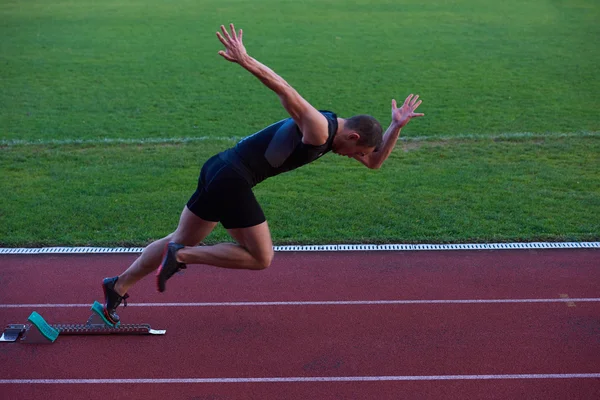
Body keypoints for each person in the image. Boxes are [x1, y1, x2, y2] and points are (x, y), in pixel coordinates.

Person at [101, 23, 424, 324]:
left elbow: (375, 163)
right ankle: (183, 256)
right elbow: (285, 90)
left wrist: (395, 126)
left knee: (178, 236)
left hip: (218, 167)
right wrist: (245, 60)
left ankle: (117, 285)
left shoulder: (337, 135)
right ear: (353, 137)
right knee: (260, 257)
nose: (355, 158)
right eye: (358, 152)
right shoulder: (318, 128)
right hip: (233, 179)